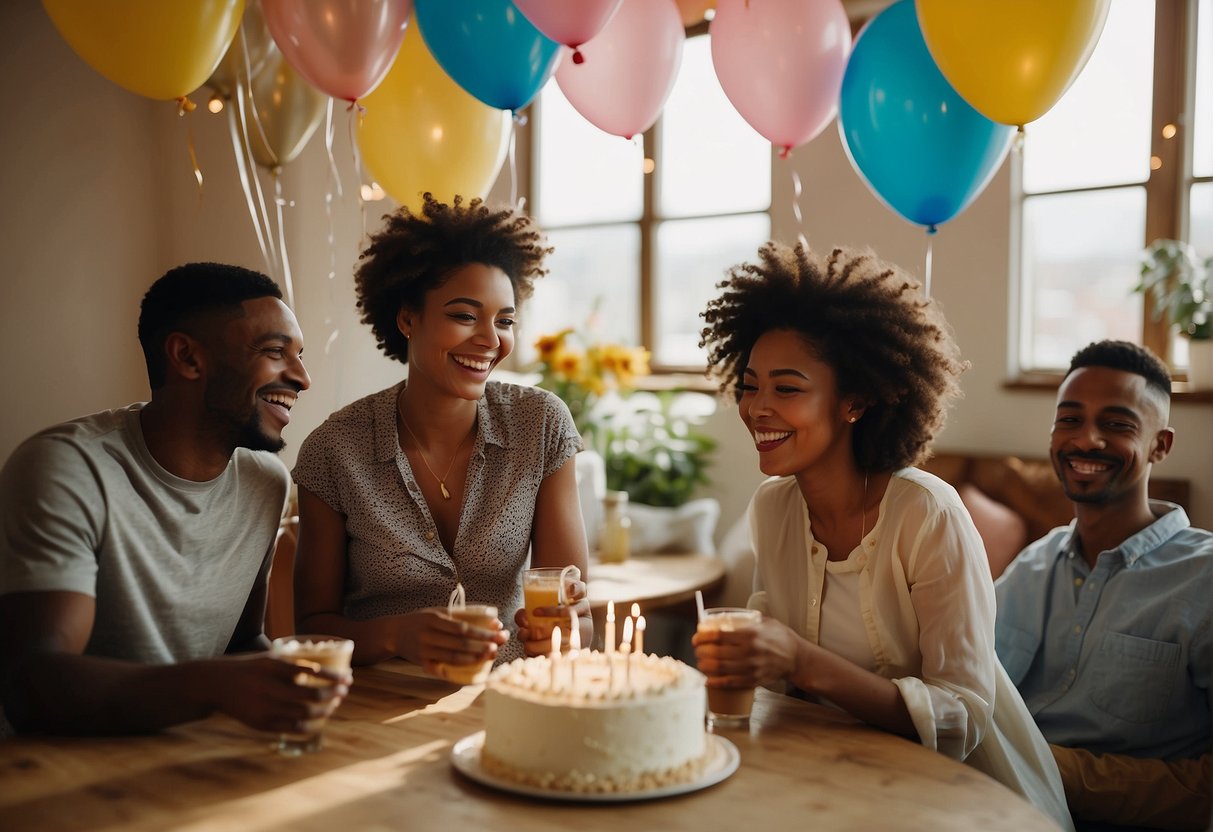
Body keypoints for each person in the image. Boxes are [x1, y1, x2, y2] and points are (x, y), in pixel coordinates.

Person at [693, 242, 1073, 829]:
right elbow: (773, 679)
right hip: (828, 777)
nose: (757, 408)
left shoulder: (927, 514)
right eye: (749, 385)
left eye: (787, 388)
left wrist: (801, 659)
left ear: (854, 401)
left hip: (964, 798)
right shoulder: (772, 508)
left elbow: (963, 717)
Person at [0, 262, 348, 737]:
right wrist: (215, 687)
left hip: (188, 755)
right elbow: (33, 682)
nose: (302, 378)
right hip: (61, 773)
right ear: (187, 357)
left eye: (301, 355)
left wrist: (294, 686)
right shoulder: (68, 467)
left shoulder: (265, 482)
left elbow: (242, 642)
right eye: (274, 351)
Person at [292, 194, 590, 675]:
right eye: (465, 316)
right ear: (408, 318)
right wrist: (395, 634)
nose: (491, 340)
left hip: (507, 696)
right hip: (375, 708)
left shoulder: (540, 425)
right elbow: (310, 631)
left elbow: (578, 616)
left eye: (505, 320)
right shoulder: (334, 451)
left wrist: (567, 627)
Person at [995, 340, 1211, 831]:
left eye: (1117, 424)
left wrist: (1038, 767)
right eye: (1069, 419)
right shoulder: (1032, 566)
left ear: (1161, 444)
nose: (1086, 440)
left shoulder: (1205, 581)